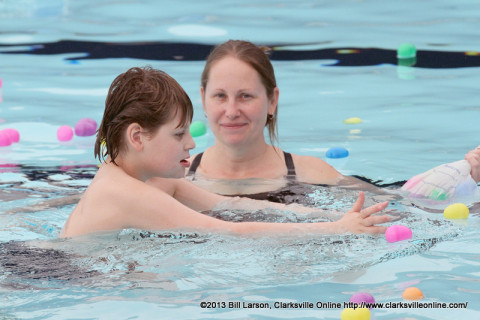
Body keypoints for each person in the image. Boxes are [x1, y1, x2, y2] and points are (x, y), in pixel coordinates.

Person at [60, 66, 391, 238]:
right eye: (178, 134)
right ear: (137, 137)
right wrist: (334, 232)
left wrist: (333, 217)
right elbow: (233, 231)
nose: (191, 143)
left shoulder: (150, 180)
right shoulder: (127, 193)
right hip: (50, 276)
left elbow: (233, 207)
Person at [185, 40, 480, 199]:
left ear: (272, 100)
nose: (232, 110)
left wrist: (467, 174)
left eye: (246, 96)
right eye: (220, 96)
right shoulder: (177, 177)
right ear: (203, 98)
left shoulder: (309, 173)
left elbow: (404, 201)